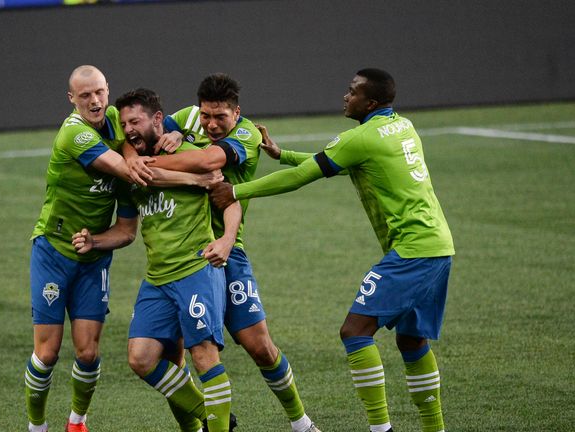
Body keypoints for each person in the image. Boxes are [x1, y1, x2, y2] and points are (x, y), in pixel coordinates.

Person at [210, 68, 454, 432]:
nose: (345, 96)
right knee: (411, 339)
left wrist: (237, 191)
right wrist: (283, 153)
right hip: (438, 245)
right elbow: (341, 163)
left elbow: (302, 177)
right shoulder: (402, 126)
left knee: (355, 330)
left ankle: (380, 429)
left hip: (413, 251)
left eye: (352, 91)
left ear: (369, 103)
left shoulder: (361, 138)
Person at [124, 74, 320, 432]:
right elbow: (137, 139)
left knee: (258, 346)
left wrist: (143, 169)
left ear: (237, 113)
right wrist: (133, 157)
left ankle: (302, 423)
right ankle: (202, 424)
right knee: (171, 355)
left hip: (229, 249)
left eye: (221, 118)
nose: (212, 125)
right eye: (206, 117)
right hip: (187, 253)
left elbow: (208, 163)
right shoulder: (187, 117)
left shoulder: (246, 134)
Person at [72, 87, 241, 432]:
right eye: (124, 123)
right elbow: (127, 231)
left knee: (203, 355)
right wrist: (96, 241)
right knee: (141, 358)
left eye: (135, 121)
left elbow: (230, 200)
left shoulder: (193, 151)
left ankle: (216, 424)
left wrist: (226, 240)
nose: (129, 129)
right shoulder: (130, 172)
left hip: (196, 269)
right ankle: (213, 416)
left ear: (158, 120)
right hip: (158, 279)